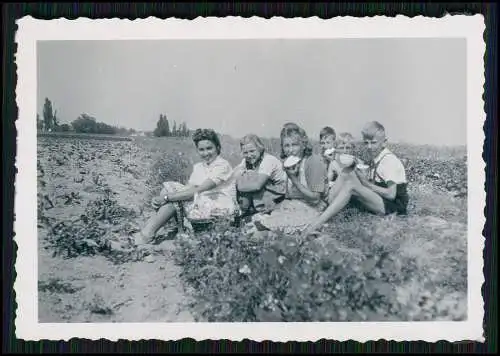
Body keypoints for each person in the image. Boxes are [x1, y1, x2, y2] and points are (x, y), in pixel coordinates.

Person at [133, 128, 238, 245]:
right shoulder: (199, 166)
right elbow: (189, 187)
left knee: (173, 199)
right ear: (197, 150)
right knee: (169, 190)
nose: (206, 153)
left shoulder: (222, 165)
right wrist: (165, 196)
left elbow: (199, 190)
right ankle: (153, 229)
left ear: (218, 148)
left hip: (219, 205)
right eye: (201, 149)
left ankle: (147, 234)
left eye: (209, 148)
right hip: (203, 200)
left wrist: (168, 197)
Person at [303, 121, 409, 235]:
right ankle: (325, 206)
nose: (369, 147)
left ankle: (315, 225)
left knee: (351, 186)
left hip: (395, 207)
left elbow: (391, 194)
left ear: (384, 142)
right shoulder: (377, 157)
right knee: (346, 173)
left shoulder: (389, 160)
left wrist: (365, 183)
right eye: (366, 143)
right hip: (382, 201)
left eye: (373, 143)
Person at [255, 123, 328, 233]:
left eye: (295, 145)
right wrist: (274, 206)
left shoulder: (313, 162)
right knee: (257, 220)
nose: (290, 150)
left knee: (267, 226)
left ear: (303, 144)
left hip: (313, 209)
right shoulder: (289, 164)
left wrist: (293, 178)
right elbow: (291, 197)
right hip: (294, 206)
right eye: (286, 146)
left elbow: (315, 199)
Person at [233, 134, 287, 219]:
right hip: (267, 190)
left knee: (249, 176)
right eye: (245, 153)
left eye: (252, 151)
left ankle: (262, 209)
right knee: (244, 176)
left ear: (260, 149)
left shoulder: (268, 160)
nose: (249, 155)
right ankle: (244, 209)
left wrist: (239, 186)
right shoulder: (246, 161)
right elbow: (234, 175)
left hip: (279, 192)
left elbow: (257, 186)